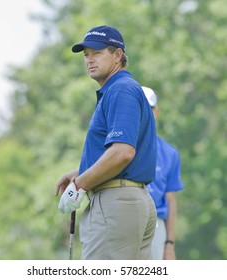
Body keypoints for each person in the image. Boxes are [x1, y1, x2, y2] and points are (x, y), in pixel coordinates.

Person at [55, 25, 157, 260]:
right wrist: (81, 171)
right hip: (131, 202)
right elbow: (122, 154)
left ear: (118, 55)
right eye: (86, 55)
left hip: (116, 204)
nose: (90, 60)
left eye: (97, 53)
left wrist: (80, 184)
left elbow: (122, 153)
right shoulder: (121, 89)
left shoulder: (120, 90)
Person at [142, 86, 184, 260]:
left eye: (149, 108)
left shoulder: (169, 153)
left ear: (156, 112)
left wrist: (169, 244)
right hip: (125, 220)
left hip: (156, 228)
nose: (144, 112)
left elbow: (170, 201)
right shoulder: (119, 148)